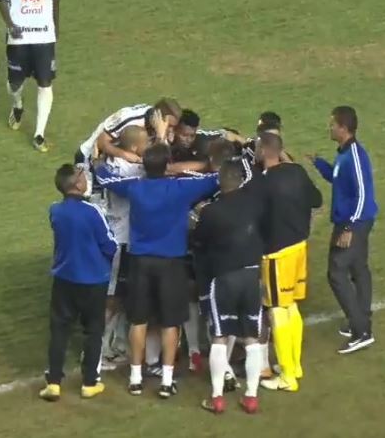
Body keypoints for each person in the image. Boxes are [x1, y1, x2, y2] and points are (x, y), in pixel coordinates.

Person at [95, 139, 219, 399]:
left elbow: (105, 177)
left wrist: (99, 161)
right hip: (171, 263)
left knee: (138, 320)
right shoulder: (182, 188)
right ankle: (166, 381)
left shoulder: (135, 187)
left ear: (145, 166)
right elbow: (218, 178)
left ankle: (135, 379)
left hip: (140, 261)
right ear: (168, 165)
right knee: (170, 322)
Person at [193, 160, 266, 415]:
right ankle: (251, 397)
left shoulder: (211, 212)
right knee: (252, 337)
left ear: (219, 182)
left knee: (220, 335)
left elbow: (198, 241)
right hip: (252, 276)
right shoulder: (254, 204)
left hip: (224, 277)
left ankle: (217, 398)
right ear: (240, 181)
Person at [40, 164, 117, 401]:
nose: (86, 179)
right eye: (82, 176)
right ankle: (89, 383)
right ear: (77, 184)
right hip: (93, 280)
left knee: (59, 330)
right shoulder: (93, 212)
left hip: (64, 279)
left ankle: (54, 383)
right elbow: (110, 245)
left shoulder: (55, 210)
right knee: (93, 331)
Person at [255, 132, 322, 392]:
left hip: (276, 255)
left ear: (263, 151)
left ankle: (287, 377)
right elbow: (316, 200)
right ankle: (295, 366)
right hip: (299, 248)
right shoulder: (297, 172)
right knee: (291, 307)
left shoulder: (263, 183)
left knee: (276, 311)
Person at [310, 106, 378, 354]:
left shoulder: (355, 156)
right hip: (351, 221)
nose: (329, 128)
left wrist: (350, 227)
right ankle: (361, 319)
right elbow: (338, 179)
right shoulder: (344, 153)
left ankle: (362, 331)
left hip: (354, 223)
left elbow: (363, 195)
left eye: (333, 124)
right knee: (358, 269)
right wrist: (319, 164)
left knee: (336, 272)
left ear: (344, 128)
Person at [0, 0, 60, 152]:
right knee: (15, 83)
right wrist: (11, 25)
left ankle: (39, 134)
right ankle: (17, 106)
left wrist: (56, 28)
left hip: (44, 36)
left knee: (45, 82)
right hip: (19, 38)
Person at [99, 126, 148, 369]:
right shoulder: (135, 171)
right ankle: (99, 349)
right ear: (135, 148)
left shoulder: (111, 163)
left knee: (121, 295)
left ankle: (116, 342)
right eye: (146, 143)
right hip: (122, 240)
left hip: (120, 236)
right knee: (112, 297)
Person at [75, 99, 182, 197]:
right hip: (91, 156)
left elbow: (160, 159)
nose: (171, 131)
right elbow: (101, 142)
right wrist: (125, 155)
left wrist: (160, 136)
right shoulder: (128, 118)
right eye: (170, 126)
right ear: (157, 118)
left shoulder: (162, 130)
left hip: (120, 164)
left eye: (174, 127)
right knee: (89, 195)